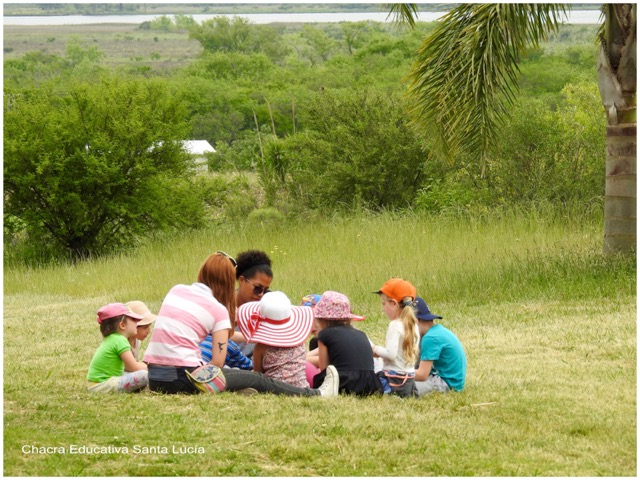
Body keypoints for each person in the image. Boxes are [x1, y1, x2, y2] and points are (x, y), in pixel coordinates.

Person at [143, 250, 339, 397]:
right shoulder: (218, 310)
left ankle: (240, 388)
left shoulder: (176, 290)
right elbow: (217, 364)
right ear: (231, 280)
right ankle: (316, 394)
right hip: (182, 379)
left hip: (155, 377)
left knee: (237, 377)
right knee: (258, 378)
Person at [200, 249, 274, 362]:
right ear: (242, 280)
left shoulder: (266, 306)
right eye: (258, 288)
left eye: (265, 290)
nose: (261, 294)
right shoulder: (220, 304)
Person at [312, 291, 384, 396]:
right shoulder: (361, 334)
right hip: (370, 384)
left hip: (343, 383)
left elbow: (324, 369)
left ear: (321, 318)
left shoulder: (324, 334)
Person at [236, 291, 313, 388]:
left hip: (273, 389)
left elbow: (258, 376)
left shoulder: (260, 348)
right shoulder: (299, 343)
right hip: (301, 388)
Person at [371, 278, 421, 398]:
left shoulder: (395, 325)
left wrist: (375, 349)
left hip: (393, 380)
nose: (383, 308)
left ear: (393, 303)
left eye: (384, 304)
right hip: (408, 381)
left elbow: (391, 354)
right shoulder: (413, 324)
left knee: (367, 381)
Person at [87, 303, 149, 393]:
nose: (137, 322)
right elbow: (133, 367)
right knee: (144, 375)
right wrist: (151, 368)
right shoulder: (120, 341)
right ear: (122, 325)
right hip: (102, 384)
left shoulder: (113, 338)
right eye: (133, 319)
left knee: (138, 374)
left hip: (96, 384)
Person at [413, 297, 467, 395]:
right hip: (446, 379)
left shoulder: (431, 338)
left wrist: (399, 373)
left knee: (403, 388)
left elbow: (422, 374)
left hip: (447, 383)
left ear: (415, 321)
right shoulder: (435, 332)